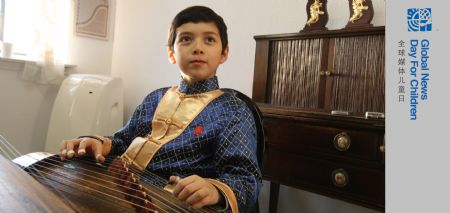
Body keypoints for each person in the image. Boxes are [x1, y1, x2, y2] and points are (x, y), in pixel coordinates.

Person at [59, 5, 261, 213]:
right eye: (186, 39)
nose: (198, 48)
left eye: (209, 40)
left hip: (166, 203)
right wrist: (99, 143)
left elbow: (244, 178)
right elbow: (123, 139)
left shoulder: (233, 110)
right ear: (171, 54)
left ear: (224, 53)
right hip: (116, 184)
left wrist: (215, 190)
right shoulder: (155, 97)